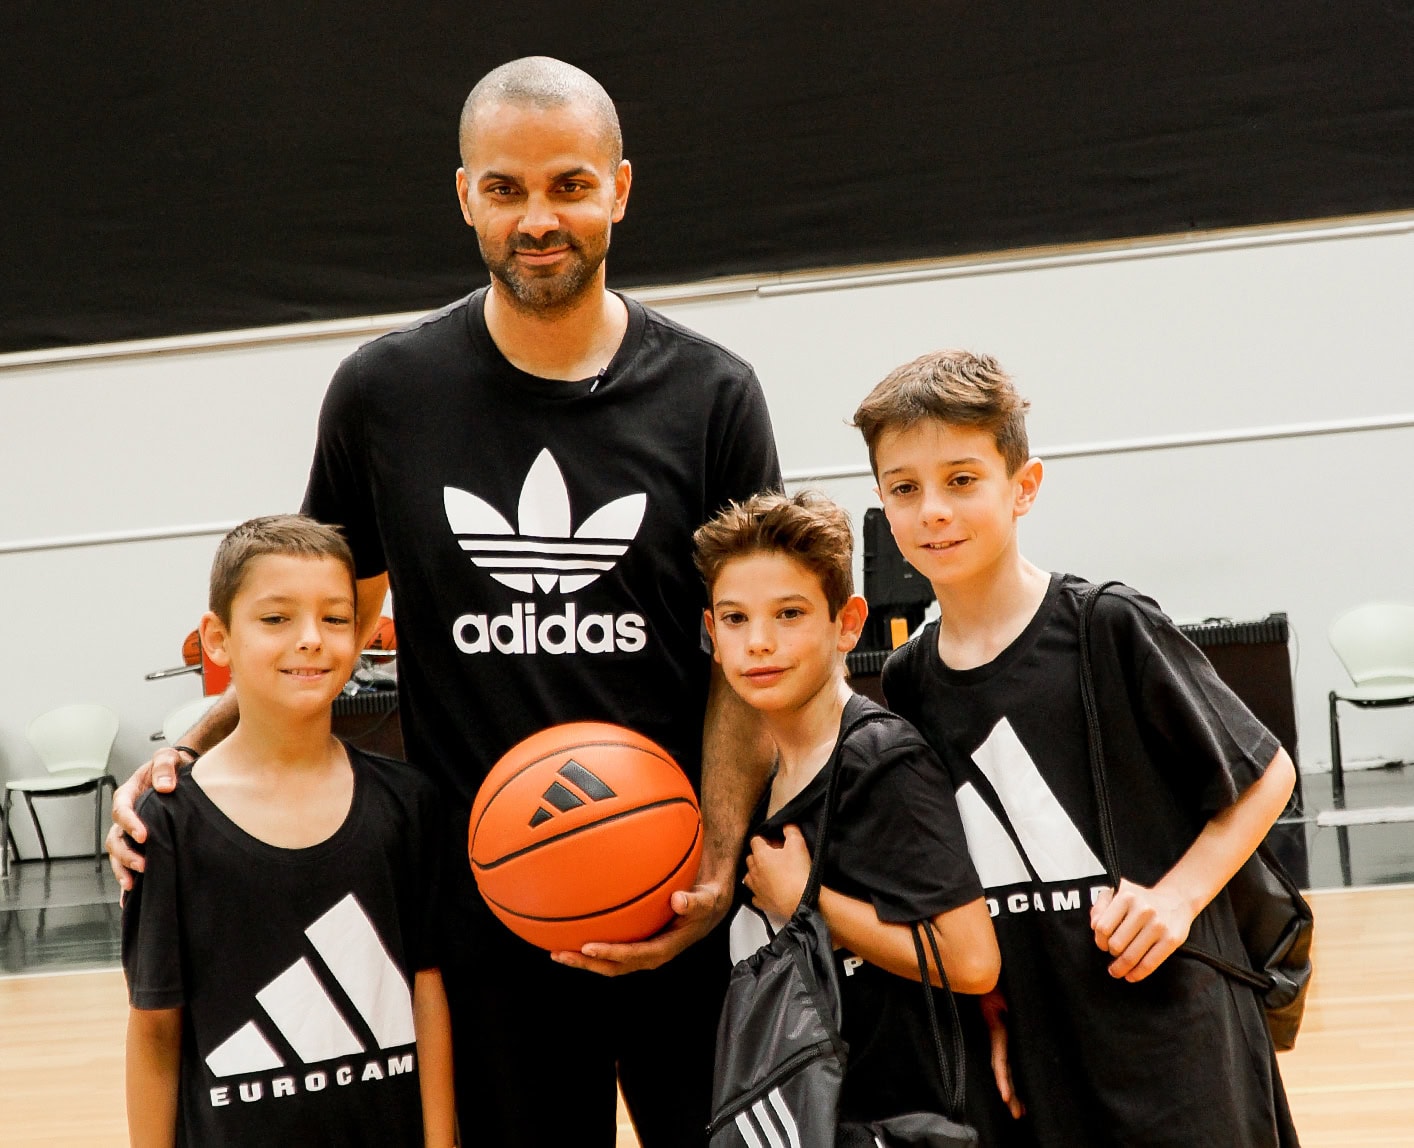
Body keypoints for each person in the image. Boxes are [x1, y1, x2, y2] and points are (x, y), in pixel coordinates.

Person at [110, 57, 779, 1148]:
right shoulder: (386, 391)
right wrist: (188, 748)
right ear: (465, 194)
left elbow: (752, 657)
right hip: (487, 911)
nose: (538, 218)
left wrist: (709, 861)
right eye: (505, 189)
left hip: (677, 903)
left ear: (619, 186)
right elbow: (316, 624)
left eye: (568, 184)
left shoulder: (713, 394)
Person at [854, 349, 1301, 1146]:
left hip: (1173, 1037)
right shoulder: (909, 679)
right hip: (1038, 1047)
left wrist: (1176, 898)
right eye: (904, 488)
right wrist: (986, 1005)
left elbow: (1266, 772)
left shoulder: (1107, 626)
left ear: (1023, 487)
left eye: (961, 479)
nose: (932, 511)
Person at [122, 515, 454, 1147]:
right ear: (217, 639)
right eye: (276, 619)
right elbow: (155, 1031)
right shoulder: (169, 823)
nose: (311, 639)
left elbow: (427, 992)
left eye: (335, 618)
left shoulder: (408, 804)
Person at [694, 490, 1010, 1132]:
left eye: (789, 614)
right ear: (712, 635)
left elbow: (973, 962)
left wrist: (805, 902)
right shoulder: (761, 781)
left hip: (907, 1122)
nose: (759, 642)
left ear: (846, 623)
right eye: (735, 619)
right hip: (829, 1119)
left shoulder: (880, 760)